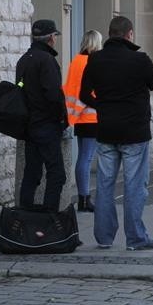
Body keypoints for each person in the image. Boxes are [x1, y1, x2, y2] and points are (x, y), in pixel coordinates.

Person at [79, 16, 153, 251]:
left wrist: (102, 106)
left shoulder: (95, 59)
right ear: (130, 34)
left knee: (104, 185)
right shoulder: (139, 59)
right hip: (135, 131)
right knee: (135, 185)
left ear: (109, 33)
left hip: (106, 129)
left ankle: (104, 238)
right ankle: (136, 238)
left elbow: (84, 94)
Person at [16, 19, 68, 211]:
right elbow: (53, 95)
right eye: (55, 36)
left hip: (30, 125)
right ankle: (49, 220)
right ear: (51, 38)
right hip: (46, 125)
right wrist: (61, 119)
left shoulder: (25, 59)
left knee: (32, 173)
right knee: (56, 174)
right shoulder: (46, 61)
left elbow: (19, 89)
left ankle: (25, 217)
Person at [63, 29, 103, 212]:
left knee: (83, 158)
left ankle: (82, 197)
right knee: (88, 158)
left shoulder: (76, 61)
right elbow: (89, 91)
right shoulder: (92, 62)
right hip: (92, 115)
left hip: (77, 115)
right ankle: (85, 199)